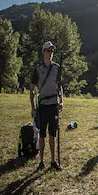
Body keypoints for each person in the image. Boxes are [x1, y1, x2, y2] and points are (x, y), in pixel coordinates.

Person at [29, 41, 63, 171]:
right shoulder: (37, 69)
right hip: (42, 105)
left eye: (52, 51)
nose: (51, 53)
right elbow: (32, 89)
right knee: (42, 134)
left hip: (53, 104)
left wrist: (61, 101)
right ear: (43, 52)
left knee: (52, 134)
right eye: (48, 51)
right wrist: (33, 107)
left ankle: (53, 161)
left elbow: (60, 86)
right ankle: (42, 161)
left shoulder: (57, 68)